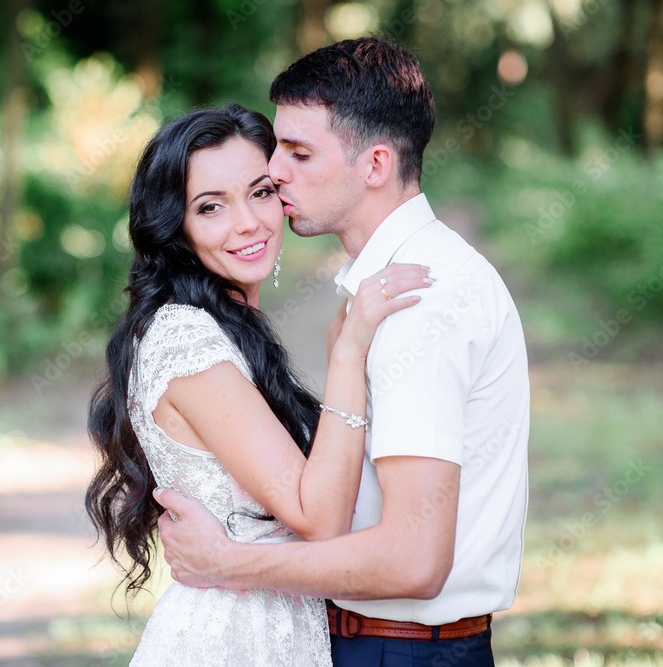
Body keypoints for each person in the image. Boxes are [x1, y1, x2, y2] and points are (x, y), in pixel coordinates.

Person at [154, 37, 531, 667]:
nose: (275, 171)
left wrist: (230, 564)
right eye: (279, 148)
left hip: (400, 652)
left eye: (299, 153)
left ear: (375, 164)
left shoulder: (419, 301)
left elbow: (414, 560)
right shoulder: (379, 295)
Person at [85, 103, 432, 666]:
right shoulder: (185, 339)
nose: (246, 222)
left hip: (275, 628)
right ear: (176, 226)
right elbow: (318, 518)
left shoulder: (229, 329)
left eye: (261, 192)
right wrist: (347, 355)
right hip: (229, 639)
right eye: (211, 207)